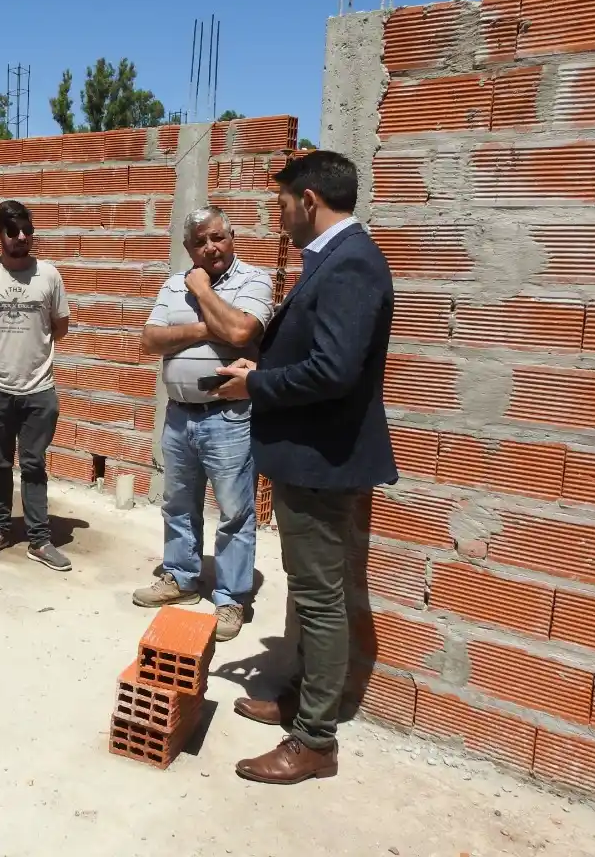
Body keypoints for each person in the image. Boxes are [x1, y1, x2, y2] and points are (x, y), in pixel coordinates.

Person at [215, 150, 397, 784]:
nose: (282, 214)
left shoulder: (350, 265)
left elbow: (333, 371)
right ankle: (303, 699)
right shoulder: (338, 260)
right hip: (312, 456)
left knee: (319, 598)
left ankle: (315, 740)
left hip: (323, 461)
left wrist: (255, 385)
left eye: (286, 203)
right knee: (310, 590)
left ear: (311, 200)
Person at [131, 208, 274, 643]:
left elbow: (239, 331)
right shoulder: (174, 283)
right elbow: (148, 341)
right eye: (199, 242)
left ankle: (230, 597)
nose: (210, 247)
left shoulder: (255, 280)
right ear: (188, 248)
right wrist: (202, 326)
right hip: (178, 415)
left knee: (234, 512)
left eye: (217, 237)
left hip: (228, 418)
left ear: (232, 236)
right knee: (177, 505)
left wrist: (202, 289)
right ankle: (181, 578)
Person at [0, 200, 72, 571]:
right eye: (13, 231)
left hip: (39, 388)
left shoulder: (49, 276)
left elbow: (60, 326)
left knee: (34, 463)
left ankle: (39, 540)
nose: (22, 237)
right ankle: (0, 528)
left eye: (27, 230)